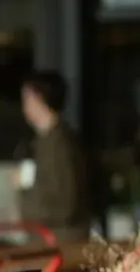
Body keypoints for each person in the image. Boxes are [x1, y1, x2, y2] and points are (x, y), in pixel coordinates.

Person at [17, 71, 89, 243]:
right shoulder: (45, 140)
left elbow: (65, 204)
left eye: (27, 98)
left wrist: (25, 204)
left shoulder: (58, 143)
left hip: (59, 243)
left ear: (39, 98)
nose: (24, 106)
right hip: (49, 240)